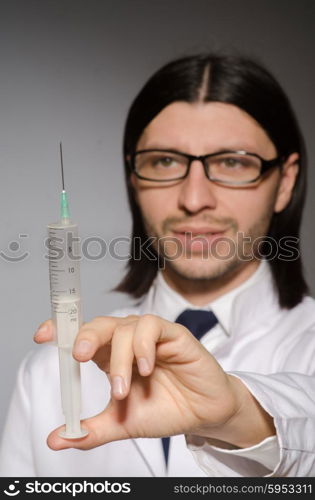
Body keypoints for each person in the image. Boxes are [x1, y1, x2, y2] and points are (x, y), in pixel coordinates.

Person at [1, 52, 315, 478]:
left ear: (286, 182)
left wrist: (241, 415)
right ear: (133, 179)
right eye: (165, 161)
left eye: (232, 162)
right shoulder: (48, 375)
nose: (194, 198)